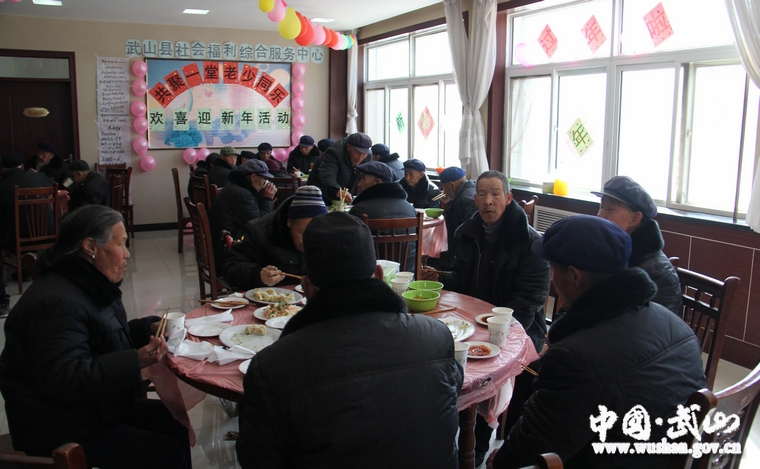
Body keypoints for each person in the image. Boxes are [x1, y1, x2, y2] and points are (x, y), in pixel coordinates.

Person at [236, 211, 463, 469]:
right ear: (379, 275)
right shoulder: (436, 336)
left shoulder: (272, 366)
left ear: (307, 289)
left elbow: (256, 460)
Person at [489, 215, 706, 469]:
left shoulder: (575, 357)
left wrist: (498, 461)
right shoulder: (673, 322)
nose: (552, 280)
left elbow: (529, 450)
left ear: (575, 277)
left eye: (554, 270)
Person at [0, 205, 190, 469]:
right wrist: (135, 360)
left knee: (175, 419)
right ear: (90, 247)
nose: (127, 253)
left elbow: (99, 335)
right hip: (61, 426)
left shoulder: (86, 281)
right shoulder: (56, 302)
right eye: (121, 244)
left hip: (94, 407)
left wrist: (148, 328)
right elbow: (64, 378)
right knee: (164, 453)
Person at [420, 170, 550, 467]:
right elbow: (463, 280)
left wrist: (488, 329)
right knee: (437, 349)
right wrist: (440, 278)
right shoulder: (468, 233)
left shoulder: (530, 244)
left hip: (519, 329)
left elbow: (527, 303)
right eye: (482, 194)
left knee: (477, 366)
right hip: (473, 321)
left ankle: (476, 444)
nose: (488, 201)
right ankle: (445, 431)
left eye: (495, 194)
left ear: (508, 198)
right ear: (474, 198)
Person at [592, 176, 681, 314]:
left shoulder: (657, 271)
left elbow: (649, 324)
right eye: (601, 207)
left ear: (634, 219)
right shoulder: (608, 250)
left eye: (610, 209)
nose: (600, 216)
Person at [222, 186, 328, 290]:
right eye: (302, 232)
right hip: (272, 297)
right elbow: (231, 269)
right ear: (289, 222)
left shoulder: (329, 235)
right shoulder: (260, 232)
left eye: (315, 234)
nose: (309, 240)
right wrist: (258, 275)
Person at [0, 152, 55, 317]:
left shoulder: (2, 185)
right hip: (48, 232)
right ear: (22, 166)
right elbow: (55, 187)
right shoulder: (38, 177)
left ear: (2, 169)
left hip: (17, 237)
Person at [209, 159, 277, 274]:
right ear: (253, 177)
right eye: (264, 178)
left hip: (223, 242)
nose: (265, 182)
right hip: (228, 251)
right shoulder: (242, 194)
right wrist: (267, 199)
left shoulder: (235, 187)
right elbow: (259, 224)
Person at [349, 161, 418, 272]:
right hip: (408, 274)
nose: (359, 184)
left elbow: (351, 248)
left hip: (373, 275)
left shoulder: (360, 210)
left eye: (363, 178)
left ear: (377, 182)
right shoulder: (410, 209)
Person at [426, 166, 478, 270]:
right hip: (463, 249)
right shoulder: (472, 189)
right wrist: (449, 204)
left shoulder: (466, 200)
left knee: (431, 262)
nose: (443, 191)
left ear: (452, 185)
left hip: (466, 254)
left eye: (443, 187)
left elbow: (458, 230)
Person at [306, 132, 372, 205]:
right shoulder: (334, 153)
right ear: (348, 147)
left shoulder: (367, 157)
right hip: (317, 193)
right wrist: (337, 191)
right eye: (357, 152)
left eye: (364, 154)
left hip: (341, 195)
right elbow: (327, 175)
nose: (360, 158)